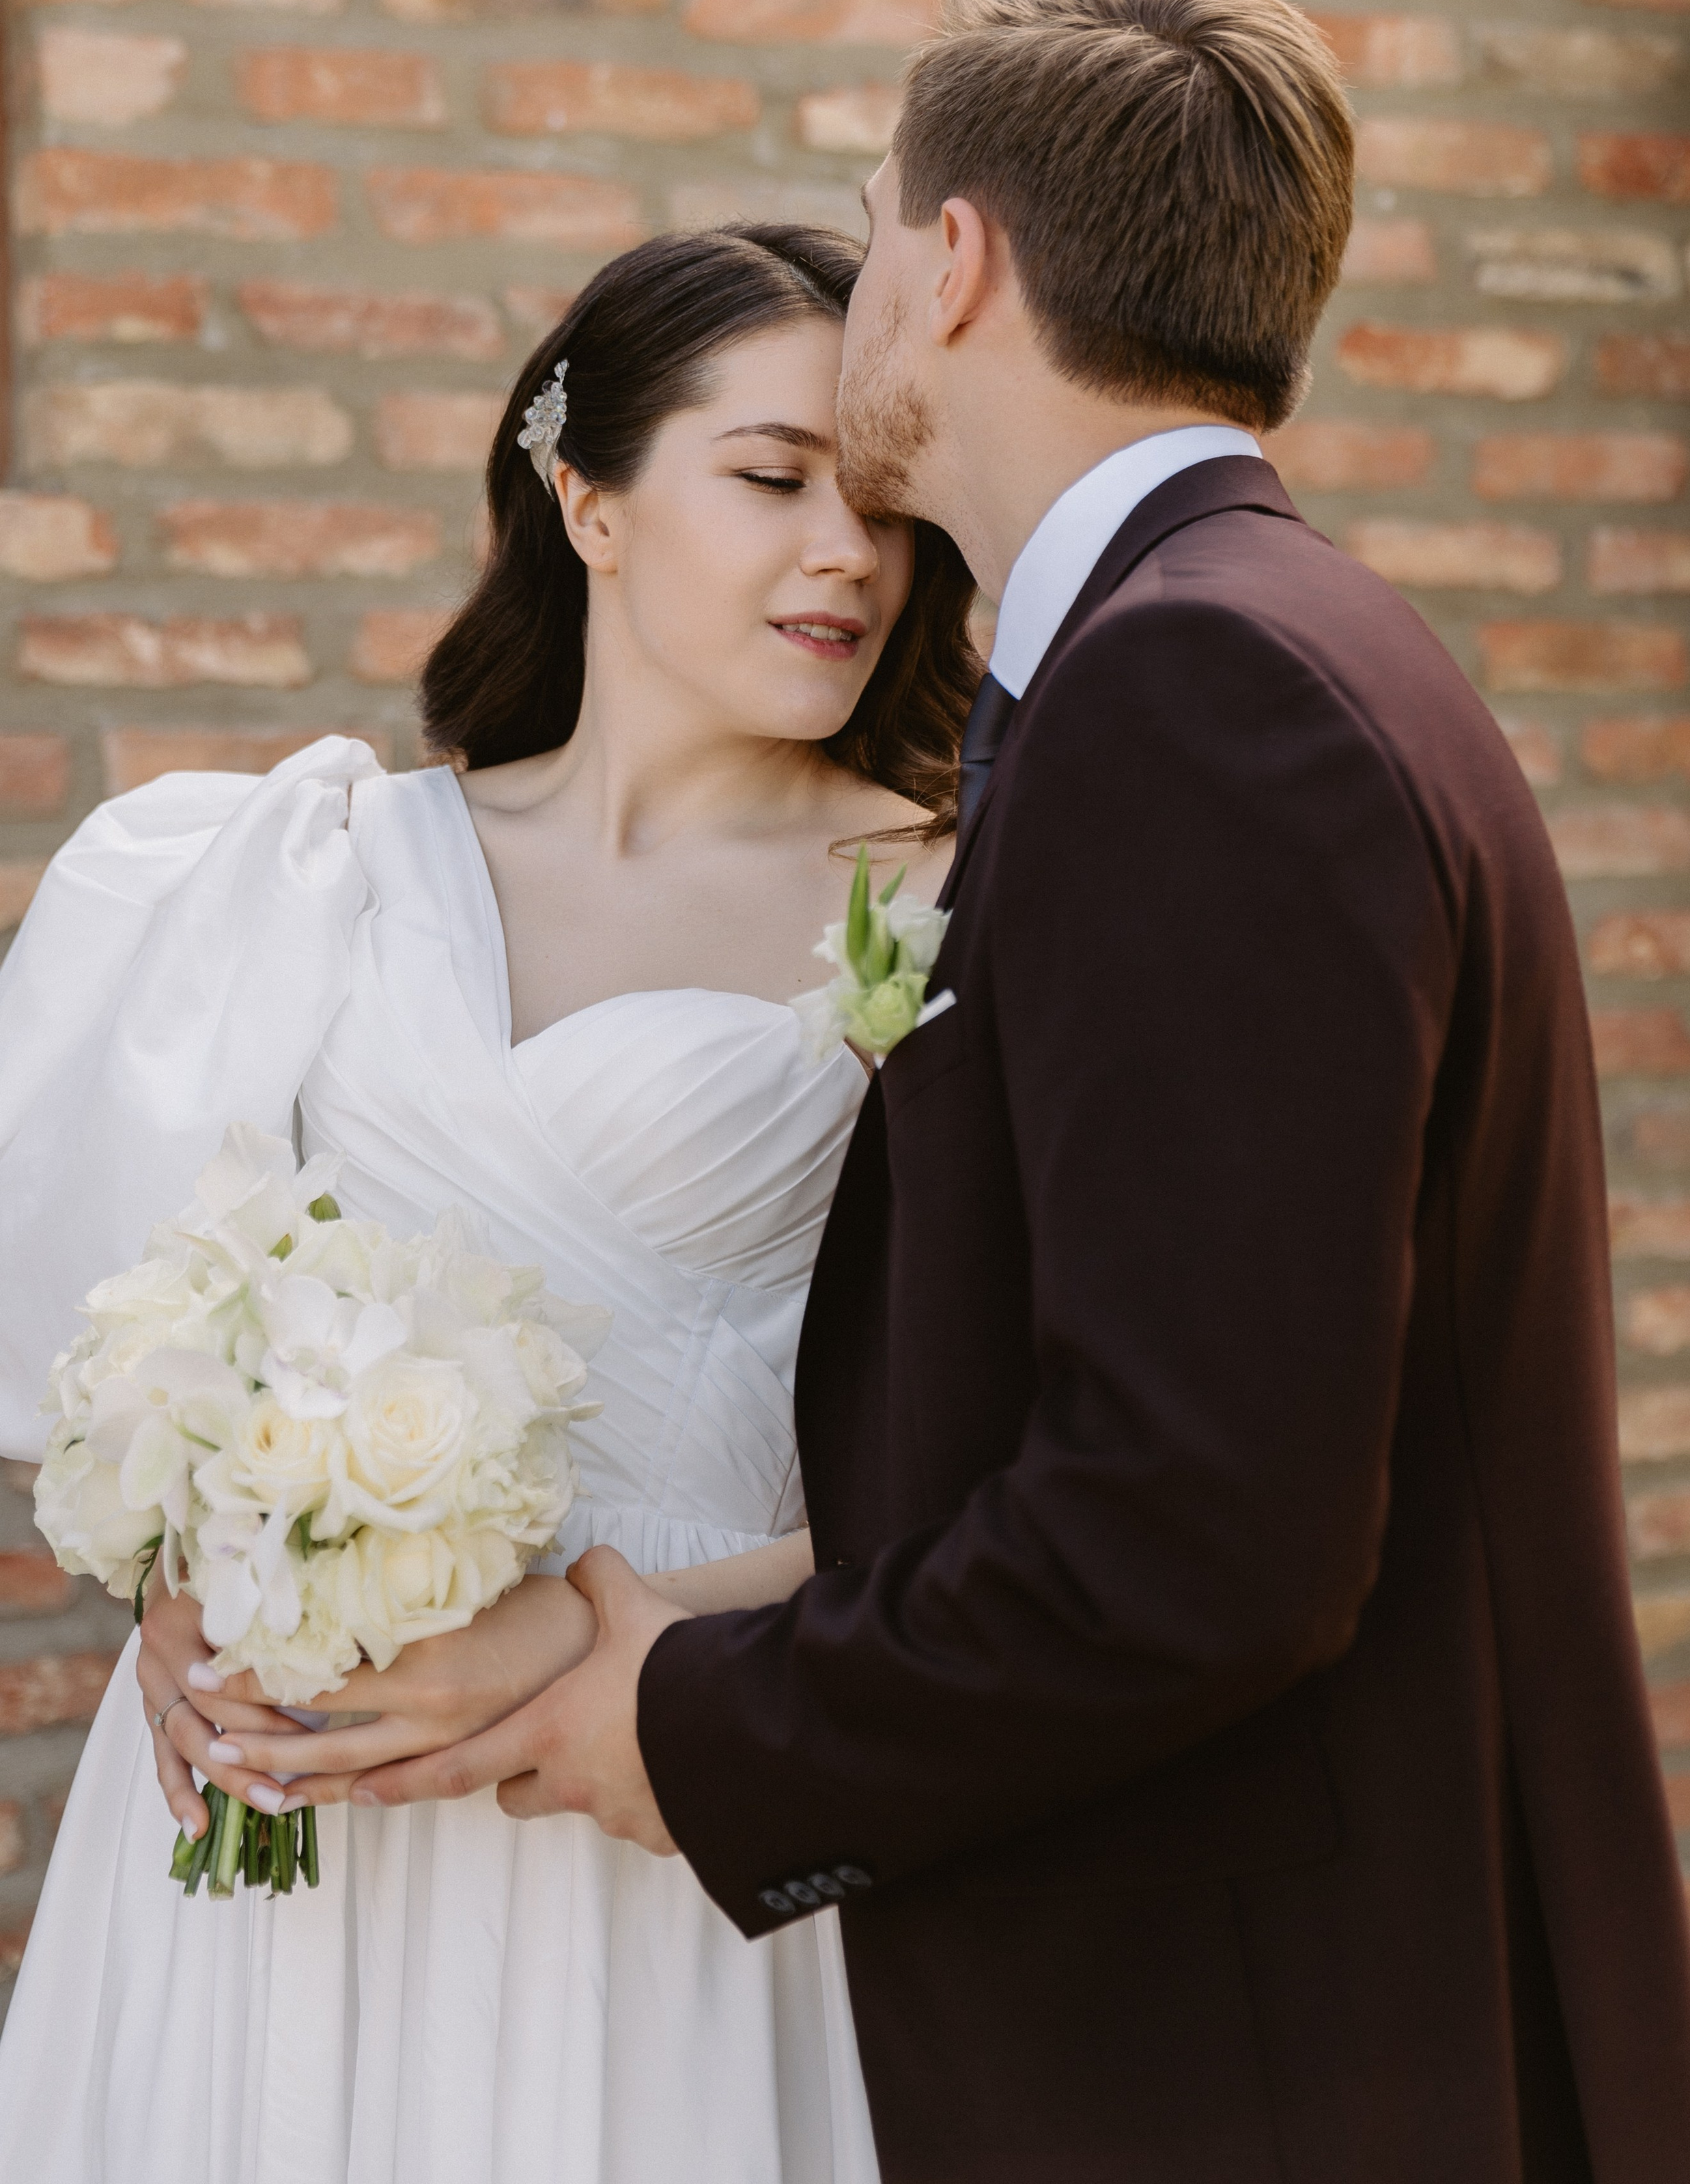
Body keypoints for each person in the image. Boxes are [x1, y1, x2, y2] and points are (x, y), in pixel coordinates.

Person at [285, 0, 1690, 2181]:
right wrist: (685, 1599)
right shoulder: (1251, 649)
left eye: (875, 228)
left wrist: (690, 1720)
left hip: (1262, 2054)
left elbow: (1192, 1537)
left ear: (953, 265)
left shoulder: (1202, 703)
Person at [0, 221, 978, 2184]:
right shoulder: (308, 863)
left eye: (884, 505)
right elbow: (136, 1326)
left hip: (654, 1784)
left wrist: (603, 1637)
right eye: (775, 478)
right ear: (587, 497)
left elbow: (991, 1453)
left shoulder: (957, 899)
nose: (849, 558)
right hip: (286, 1810)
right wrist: (187, 1566)